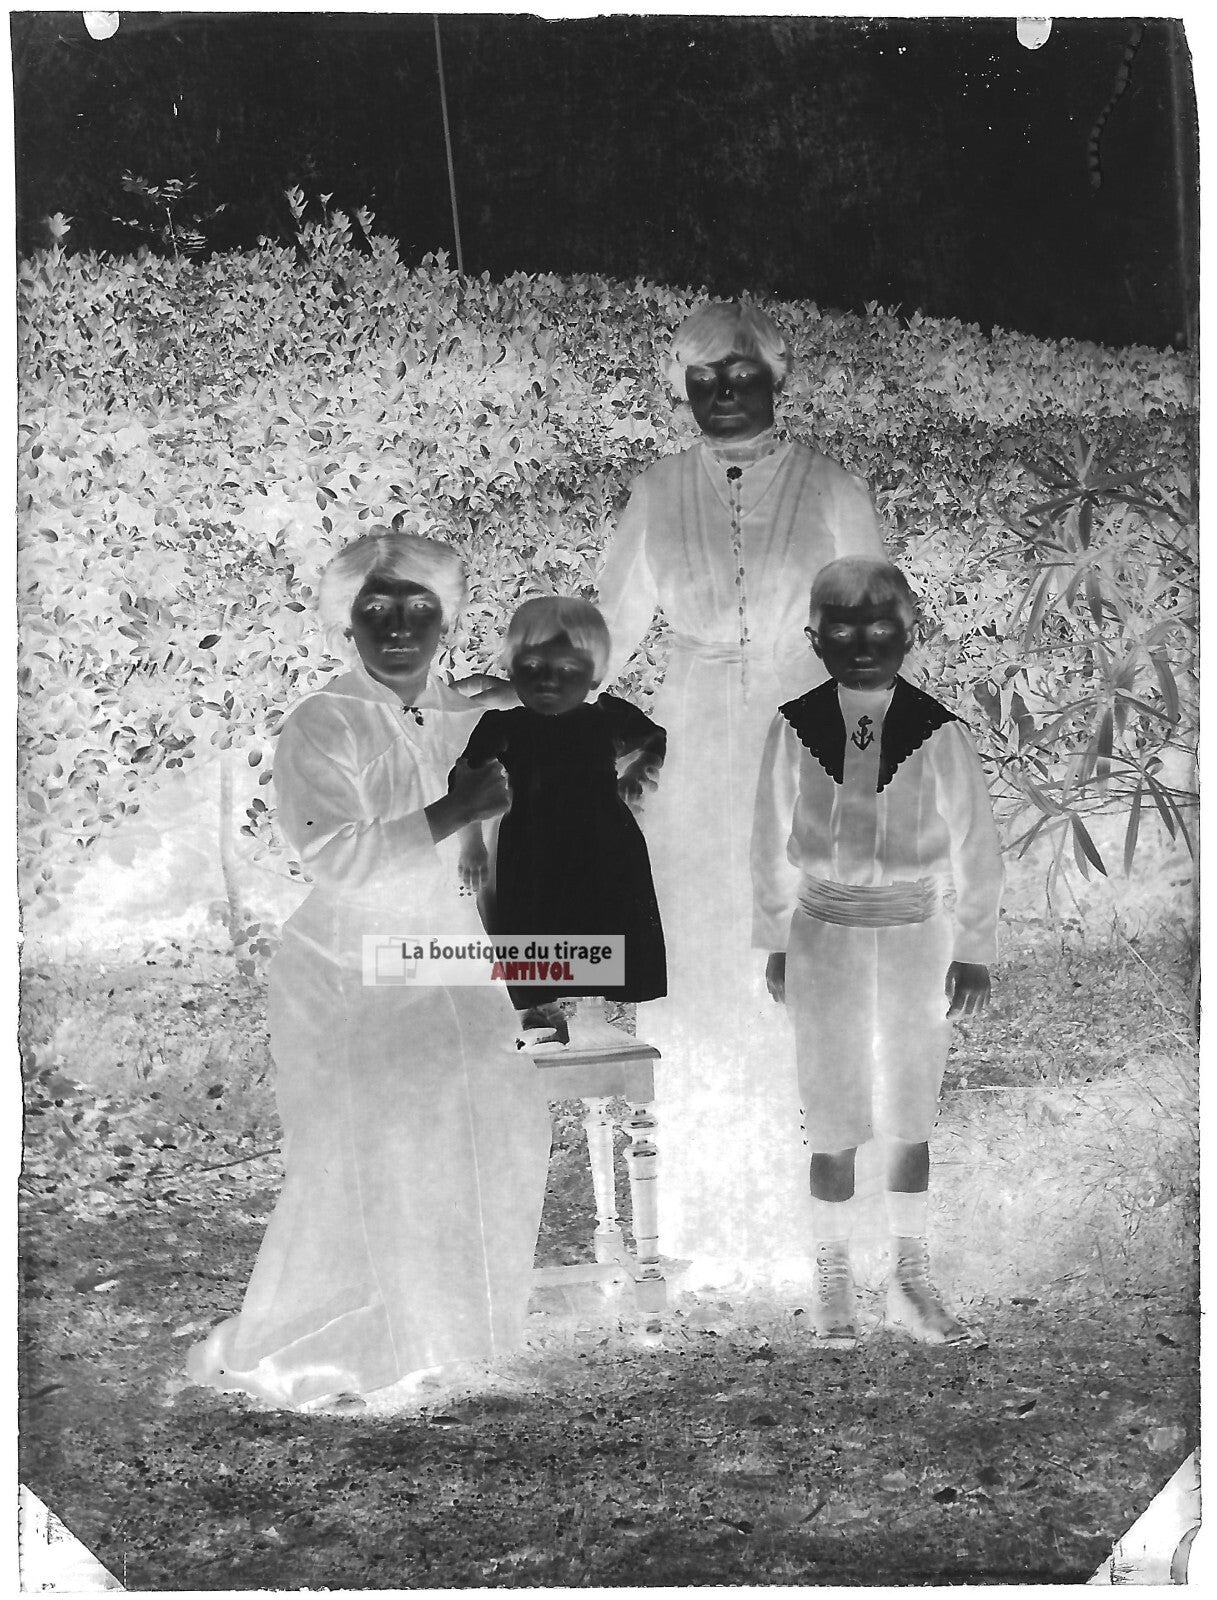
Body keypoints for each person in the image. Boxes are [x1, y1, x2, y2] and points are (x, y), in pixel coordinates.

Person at [186, 531, 553, 1411]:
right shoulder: (325, 719)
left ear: (448, 620)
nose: (399, 626)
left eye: (420, 607)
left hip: (450, 952)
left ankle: (458, 1336)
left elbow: (582, 715)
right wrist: (452, 810)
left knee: (501, 1116)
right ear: (343, 624)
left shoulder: (468, 708)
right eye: (376, 609)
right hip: (345, 963)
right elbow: (336, 859)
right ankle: (360, 1340)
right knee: (385, 1133)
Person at [595, 299, 886, 1285]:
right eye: (701, 378)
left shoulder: (831, 487)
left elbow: (875, 626)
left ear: (774, 376)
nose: (722, 391)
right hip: (692, 755)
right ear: (681, 389)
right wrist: (523, 708)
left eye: (739, 372)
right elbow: (602, 632)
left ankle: (813, 1223)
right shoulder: (655, 488)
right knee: (701, 969)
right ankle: (700, 1225)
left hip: (802, 739)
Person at [751, 557, 1004, 1343]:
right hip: (821, 933)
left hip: (913, 939)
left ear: (909, 634)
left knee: (906, 1107)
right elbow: (767, 842)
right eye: (842, 630)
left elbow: (975, 846)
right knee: (829, 1107)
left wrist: (971, 947)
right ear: (814, 639)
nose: (862, 645)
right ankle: (831, 1280)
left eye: (880, 629)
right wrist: (774, 939)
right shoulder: (793, 728)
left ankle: (909, 1278)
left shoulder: (937, 731)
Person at [456, 596, 666, 1042]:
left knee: (599, 918)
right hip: (531, 844)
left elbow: (655, 740)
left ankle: (596, 1010)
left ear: (593, 674)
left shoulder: (607, 717)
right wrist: (472, 844)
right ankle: (541, 1014)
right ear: (512, 669)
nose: (548, 681)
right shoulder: (502, 723)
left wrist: (637, 769)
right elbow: (469, 780)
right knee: (528, 924)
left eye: (568, 669)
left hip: (601, 841)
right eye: (533, 666)